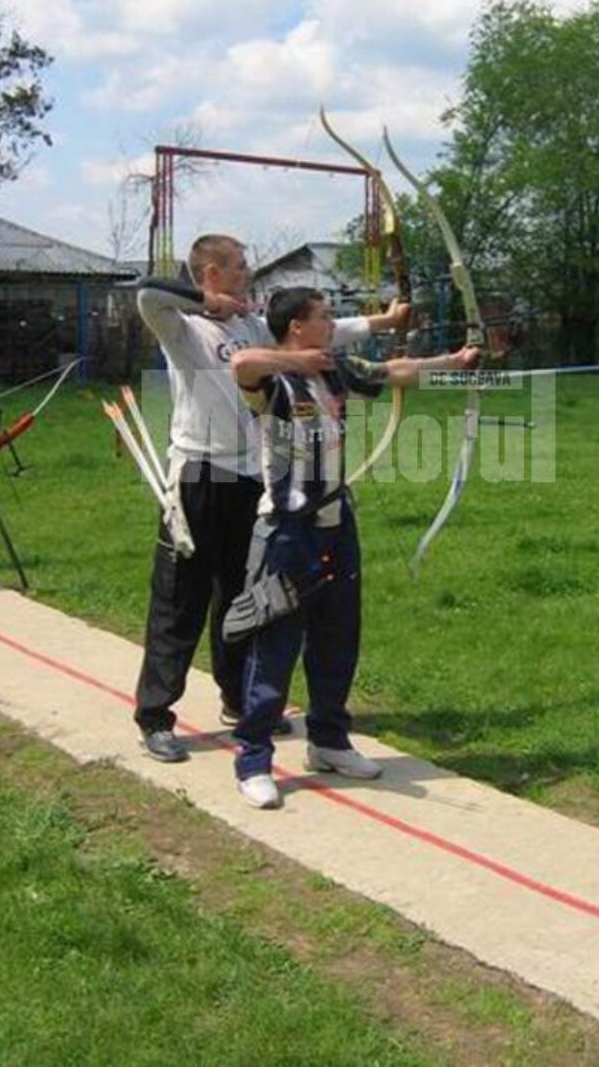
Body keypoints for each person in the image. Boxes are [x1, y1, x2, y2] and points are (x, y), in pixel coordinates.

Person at [133, 235, 410, 763]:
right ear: (210, 272)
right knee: (180, 597)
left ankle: (237, 699)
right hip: (199, 475)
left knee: (244, 595)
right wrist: (205, 304)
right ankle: (155, 717)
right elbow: (147, 294)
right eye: (237, 266)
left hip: (253, 478)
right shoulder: (183, 325)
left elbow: (311, 338)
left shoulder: (252, 327)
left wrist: (383, 323)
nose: (247, 272)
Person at [225, 286, 479, 809]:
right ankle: (253, 758)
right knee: (276, 645)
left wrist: (455, 361)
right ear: (297, 326)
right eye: (322, 317)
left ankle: (329, 741)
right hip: (286, 532)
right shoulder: (273, 382)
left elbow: (395, 373)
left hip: (337, 524)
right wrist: (297, 360)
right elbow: (244, 363)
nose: (331, 323)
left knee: (338, 637)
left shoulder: (335, 370)